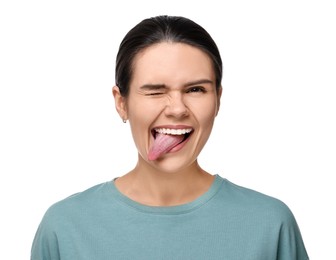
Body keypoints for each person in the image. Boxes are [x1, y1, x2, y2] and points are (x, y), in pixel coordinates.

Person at [31, 15, 309, 260]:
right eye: (154, 90)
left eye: (196, 90)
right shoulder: (64, 228)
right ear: (121, 103)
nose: (177, 109)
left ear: (218, 100)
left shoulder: (270, 225)